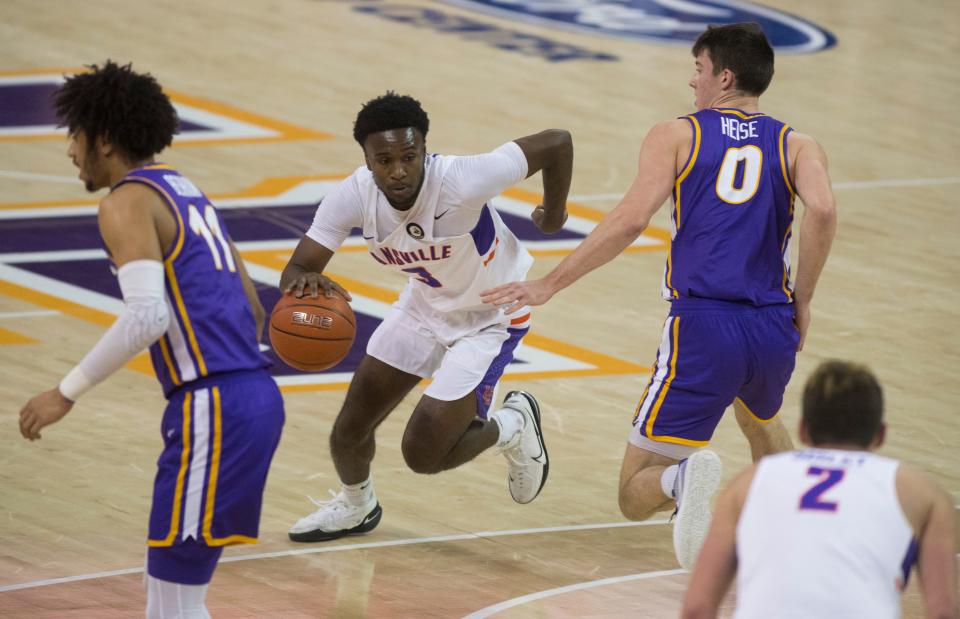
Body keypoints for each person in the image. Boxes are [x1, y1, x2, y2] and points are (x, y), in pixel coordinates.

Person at [481, 22, 838, 569]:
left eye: (698, 70)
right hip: (772, 326)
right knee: (760, 417)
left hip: (703, 326)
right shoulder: (798, 143)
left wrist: (550, 283)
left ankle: (682, 477)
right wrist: (804, 299)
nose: (691, 82)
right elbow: (825, 210)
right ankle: (802, 530)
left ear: (724, 76)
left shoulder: (678, 133)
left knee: (633, 493)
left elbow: (629, 221)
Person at [17, 61, 284, 619]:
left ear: (105, 139)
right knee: (170, 596)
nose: (69, 150)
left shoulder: (125, 201)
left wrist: (64, 392)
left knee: (170, 605)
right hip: (252, 399)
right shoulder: (186, 191)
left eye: (75, 134)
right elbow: (254, 306)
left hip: (213, 405)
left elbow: (146, 317)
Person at [281, 92, 572, 542]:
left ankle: (512, 425)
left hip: (492, 316)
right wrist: (305, 287)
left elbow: (557, 141)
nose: (398, 170)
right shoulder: (353, 195)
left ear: (424, 151)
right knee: (350, 429)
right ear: (367, 160)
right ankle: (357, 507)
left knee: (423, 455)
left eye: (409, 156)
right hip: (424, 307)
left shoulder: (462, 179)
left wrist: (553, 215)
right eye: (384, 160)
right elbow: (298, 269)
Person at [681, 360, 958, 619]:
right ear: (880, 435)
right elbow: (943, 612)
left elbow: (697, 608)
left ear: (803, 430)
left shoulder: (747, 484)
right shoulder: (923, 494)